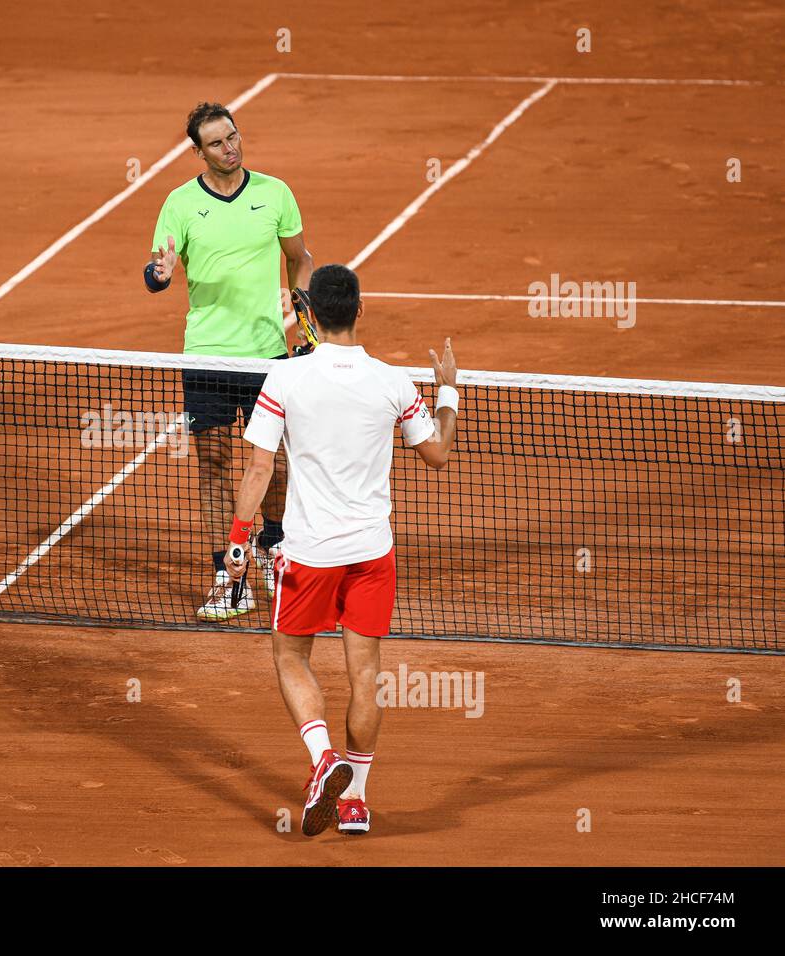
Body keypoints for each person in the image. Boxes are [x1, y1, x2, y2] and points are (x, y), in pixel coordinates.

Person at [224, 263, 460, 837]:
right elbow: (437, 454)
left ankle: (322, 758)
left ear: (311, 316)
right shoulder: (392, 383)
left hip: (308, 554)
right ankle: (354, 800)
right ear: (359, 311)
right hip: (371, 553)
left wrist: (236, 541)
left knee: (289, 658)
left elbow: (260, 467)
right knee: (366, 676)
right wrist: (449, 387)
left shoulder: (285, 381)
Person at [145, 101, 313, 621]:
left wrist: (302, 308)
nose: (230, 147)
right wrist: (162, 271)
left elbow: (300, 258)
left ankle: (274, 546)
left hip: (267, 353)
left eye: (234, 136)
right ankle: (226, 570)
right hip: (208, 354)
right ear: (198, 151)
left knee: (277, 464)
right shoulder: (178, 204)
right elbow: (155, 276)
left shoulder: (274, 193)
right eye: (217, 142)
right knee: (214, 465)